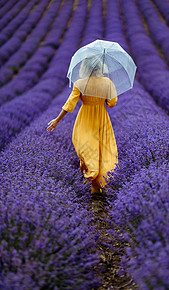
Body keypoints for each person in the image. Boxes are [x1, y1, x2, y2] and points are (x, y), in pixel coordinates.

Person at [46, 56, 118, 194]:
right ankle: (100, 183)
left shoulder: (80, 83)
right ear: (100, 67)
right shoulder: (108, 82)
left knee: (86, 148)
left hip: (84, 119)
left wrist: (56, 120)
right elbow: (112, 103)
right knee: (102, 149)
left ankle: (93, 180)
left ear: (85, 67)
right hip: (101, 118)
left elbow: (69, 105)